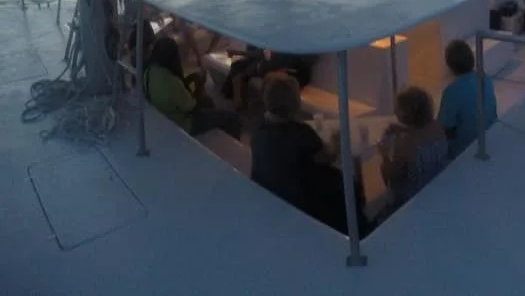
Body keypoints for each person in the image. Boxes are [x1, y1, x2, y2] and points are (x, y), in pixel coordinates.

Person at [251, 73, 368, 236]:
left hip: (271, 188)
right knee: (347, 184)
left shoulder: (258, 130)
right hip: (301, 197)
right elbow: (327, 157)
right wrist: (335, 141)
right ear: (294, 102)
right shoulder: (301, 133)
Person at [143, 36, 241, 139]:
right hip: (183, 123)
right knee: (232, 118)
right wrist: (200, 84)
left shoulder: (148, 71)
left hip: (164, 115)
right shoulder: (171, 83)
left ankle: (216, 133)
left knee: (209, 103)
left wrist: (190, 79)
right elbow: (194, 109)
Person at [379, 86, 449, 210]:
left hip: (414, 197)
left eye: (398, 108)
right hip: (437, 184)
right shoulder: (437, 127)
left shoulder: (406, 144)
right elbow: (422, 133)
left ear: (408, 113)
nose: (395, 111)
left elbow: (390, 176)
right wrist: (405, 129)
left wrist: (384, 155)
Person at [437, 39, 498, 158]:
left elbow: (444, 128)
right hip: (490, 136)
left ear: (449, 65)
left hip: (466, 149)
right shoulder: (485, 79)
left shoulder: (452, 91)